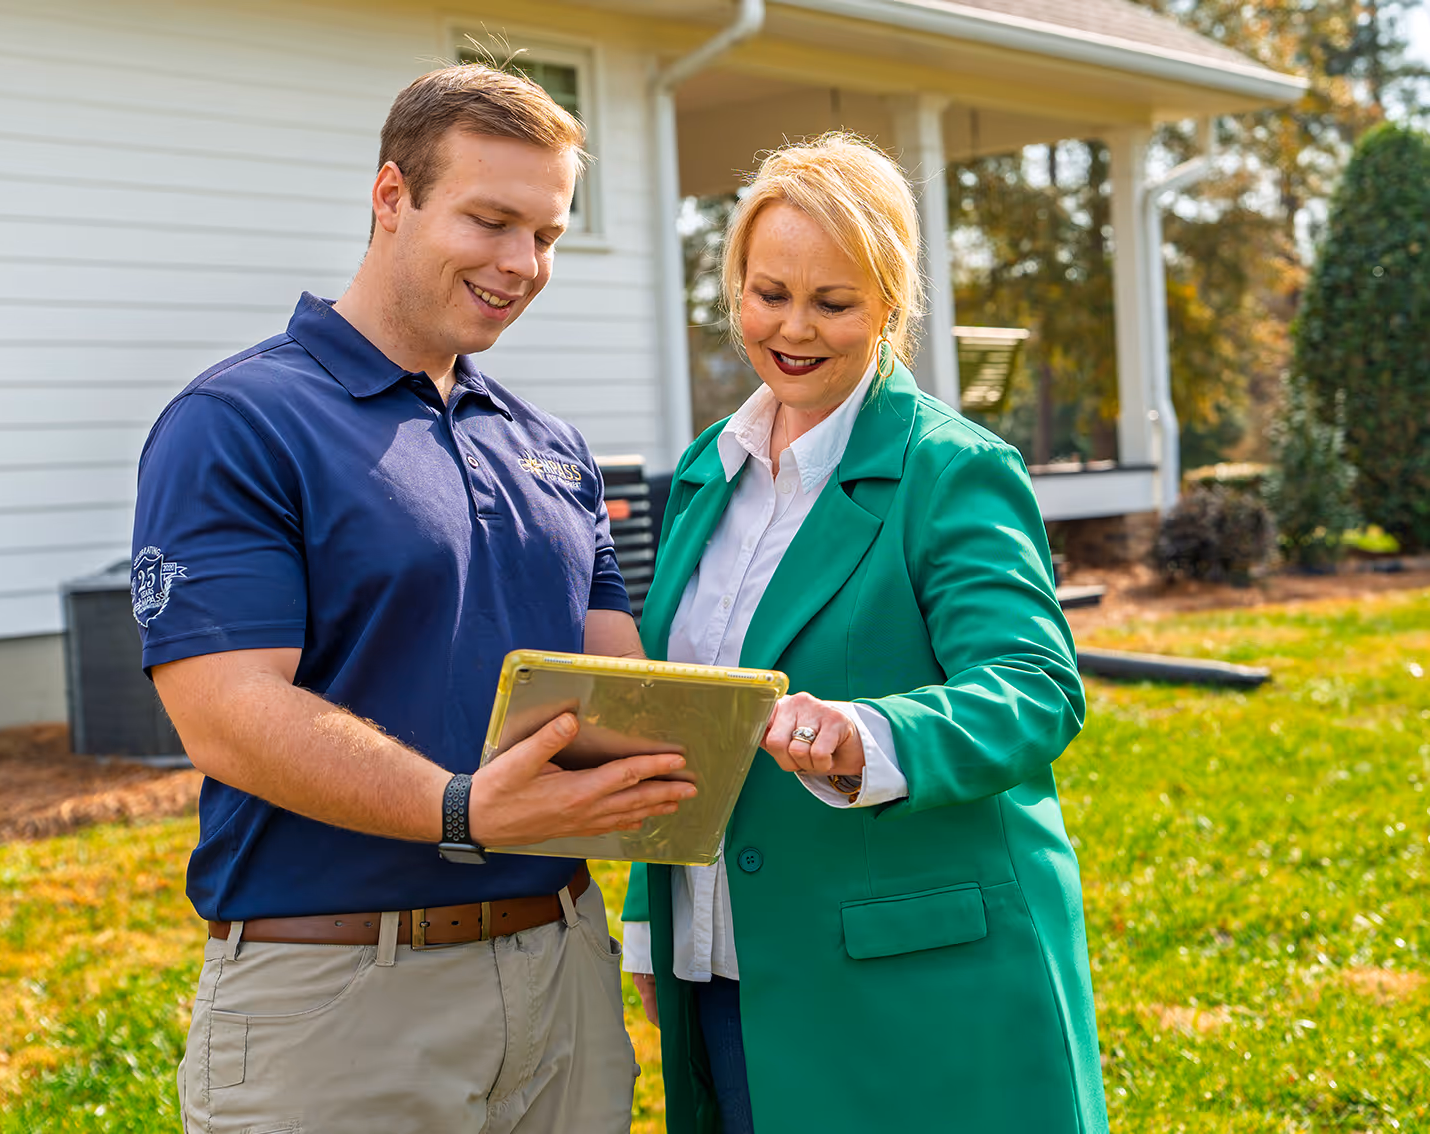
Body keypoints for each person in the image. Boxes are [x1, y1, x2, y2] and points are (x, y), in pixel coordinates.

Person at [132, 64, 697, 1134]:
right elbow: (225, 716)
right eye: (489, 221)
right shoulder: (239, 422)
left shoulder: (551, 448)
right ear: (392, 197)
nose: (521, 265)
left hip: (563, 968)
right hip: (342, 1000)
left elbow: (615, 686)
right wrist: (461, 809)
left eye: (547, 235)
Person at [620, 132, 1109, 1134]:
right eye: (768, 294)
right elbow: (685, 714)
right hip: (725, 973)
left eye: (832, 303)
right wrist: (649, 915)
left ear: (890, 302)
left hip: (919, 989)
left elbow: (1035, 685)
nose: (792, 328)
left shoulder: (950, 469)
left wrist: (868, 737)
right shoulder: (711, 467)